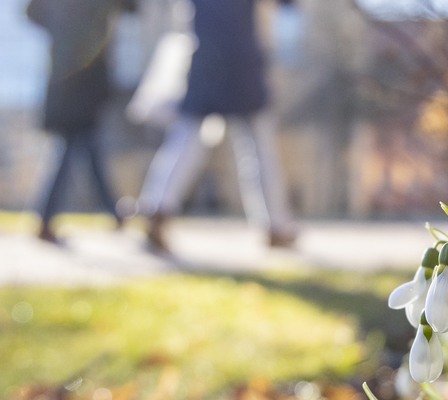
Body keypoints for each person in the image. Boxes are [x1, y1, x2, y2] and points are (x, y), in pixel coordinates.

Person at [137, 0, 299, 253]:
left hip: (206, 55)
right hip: (240, 59)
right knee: (258, 147)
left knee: (186, 138)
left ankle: (158, 208)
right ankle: (276, 225)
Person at [27, 0, 130, 245]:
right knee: (75, 149)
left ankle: (112, 211)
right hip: (79, 83)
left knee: (86, 149)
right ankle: (46, 219)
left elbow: (33, 12)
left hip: (73, 81)